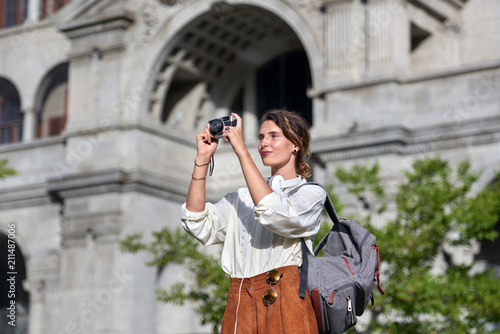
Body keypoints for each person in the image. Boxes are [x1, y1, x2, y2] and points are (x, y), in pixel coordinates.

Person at [181, 109, 326, 334]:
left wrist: (241, 150)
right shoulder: (242, 197)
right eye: (260, 138)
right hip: (240, 302)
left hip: (286, 301)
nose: (264, 144)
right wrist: (202, 159)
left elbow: (274, 213)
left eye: (274, 136)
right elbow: (197, 222)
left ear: (296, 144)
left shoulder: (310, 194)